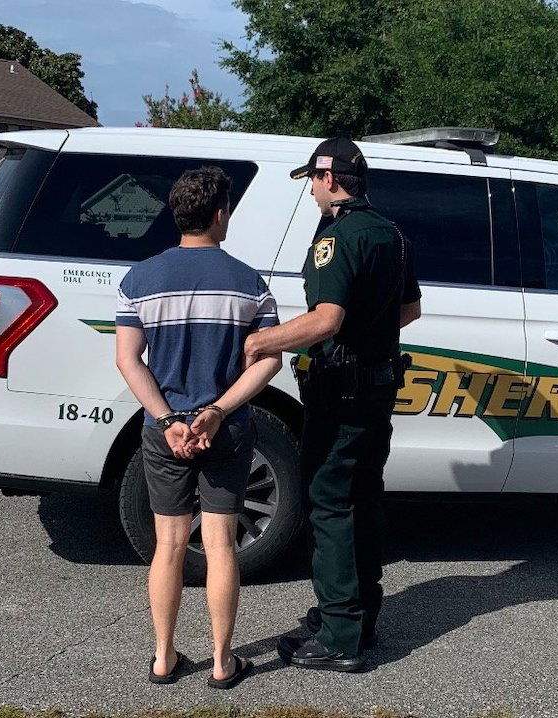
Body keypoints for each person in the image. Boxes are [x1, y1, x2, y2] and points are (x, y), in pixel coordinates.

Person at [244, 137, 422, 672]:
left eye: (314, 182)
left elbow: (326, 319)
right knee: (363, 499)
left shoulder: (337, 237)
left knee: (330, 503)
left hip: (340, 392)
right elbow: (410, 310)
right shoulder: (393, 234)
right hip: (377, 389)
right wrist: (368, 330)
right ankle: (359, 616)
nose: (312, 193)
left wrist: (261, 341)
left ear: (329, 178)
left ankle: (340, 634)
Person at [114, 166, 282, 689]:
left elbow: (128, 360)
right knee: (221, 544)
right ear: (219, 214)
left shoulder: (138, 280)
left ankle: (163, 658)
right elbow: (269, 361)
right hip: (225, 430)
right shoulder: (250, 283)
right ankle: (222, 662)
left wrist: (168, 419)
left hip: (164, 431)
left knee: (168, 544)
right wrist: (218, 411)